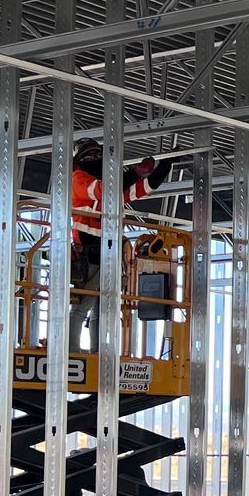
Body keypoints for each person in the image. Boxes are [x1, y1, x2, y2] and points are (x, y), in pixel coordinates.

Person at [68, 138, 173, 350]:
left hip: (110, 251)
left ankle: (98, 353)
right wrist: (135, 173)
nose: (96, 160)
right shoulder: (78, 179)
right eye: (92, 156)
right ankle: (71, 352)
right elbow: (103, 190)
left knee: (103, 308)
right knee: (84, 306)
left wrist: (166, 165)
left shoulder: (108, 189)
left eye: (98, 156)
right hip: (89, 252)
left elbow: (140, 190)